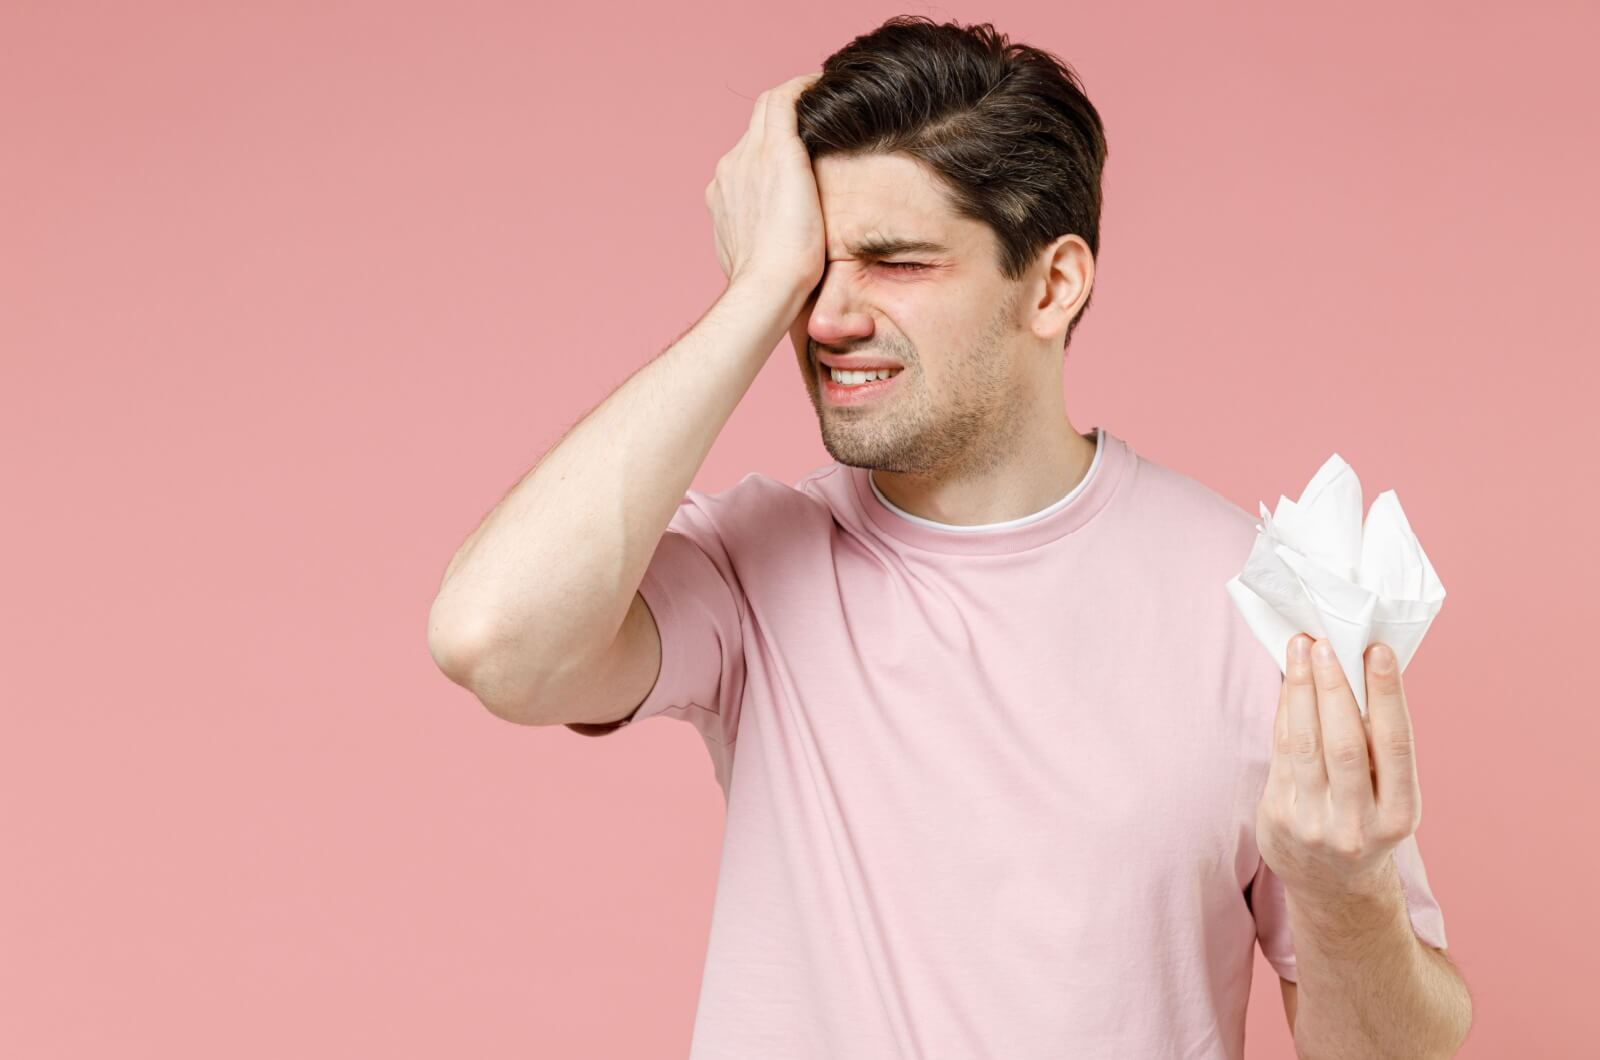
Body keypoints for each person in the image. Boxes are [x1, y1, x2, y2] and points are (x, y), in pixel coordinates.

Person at [428, 16, 1460, 1059]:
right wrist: (750, 294)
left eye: (894, 262)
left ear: (1052, 285)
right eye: (809, 268)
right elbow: (490, 639)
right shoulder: (754, 567)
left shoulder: (1252, 600)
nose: (826, 315)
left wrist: (1340, 894)